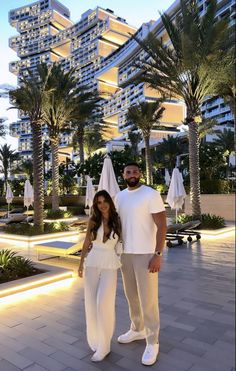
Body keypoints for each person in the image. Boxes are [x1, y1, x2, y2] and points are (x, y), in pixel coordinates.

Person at [115, 162, 167, 366]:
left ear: (140, 174)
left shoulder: (150, 194)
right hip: (125, 253)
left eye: (135, 171)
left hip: (146, 254)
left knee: (148, 299)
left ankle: (153, 341)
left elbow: (162, 225)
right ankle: (137, 329)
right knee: (131, 296)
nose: (132, 174)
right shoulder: (119, 197)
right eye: (128, 172)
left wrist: (158, 254)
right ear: (124, 175)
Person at [78, 190, 122, 362]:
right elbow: (87, 242)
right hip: (92, 262)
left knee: (103, 303)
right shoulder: (93, 220)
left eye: (105, 201)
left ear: (110, 202)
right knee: (90, 302)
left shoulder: (117, 220)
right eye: (99, 202)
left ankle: (105, 345)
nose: (102, 204)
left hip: (110, 263)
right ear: (96, 205)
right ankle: (95, 340)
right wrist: (80, 264)